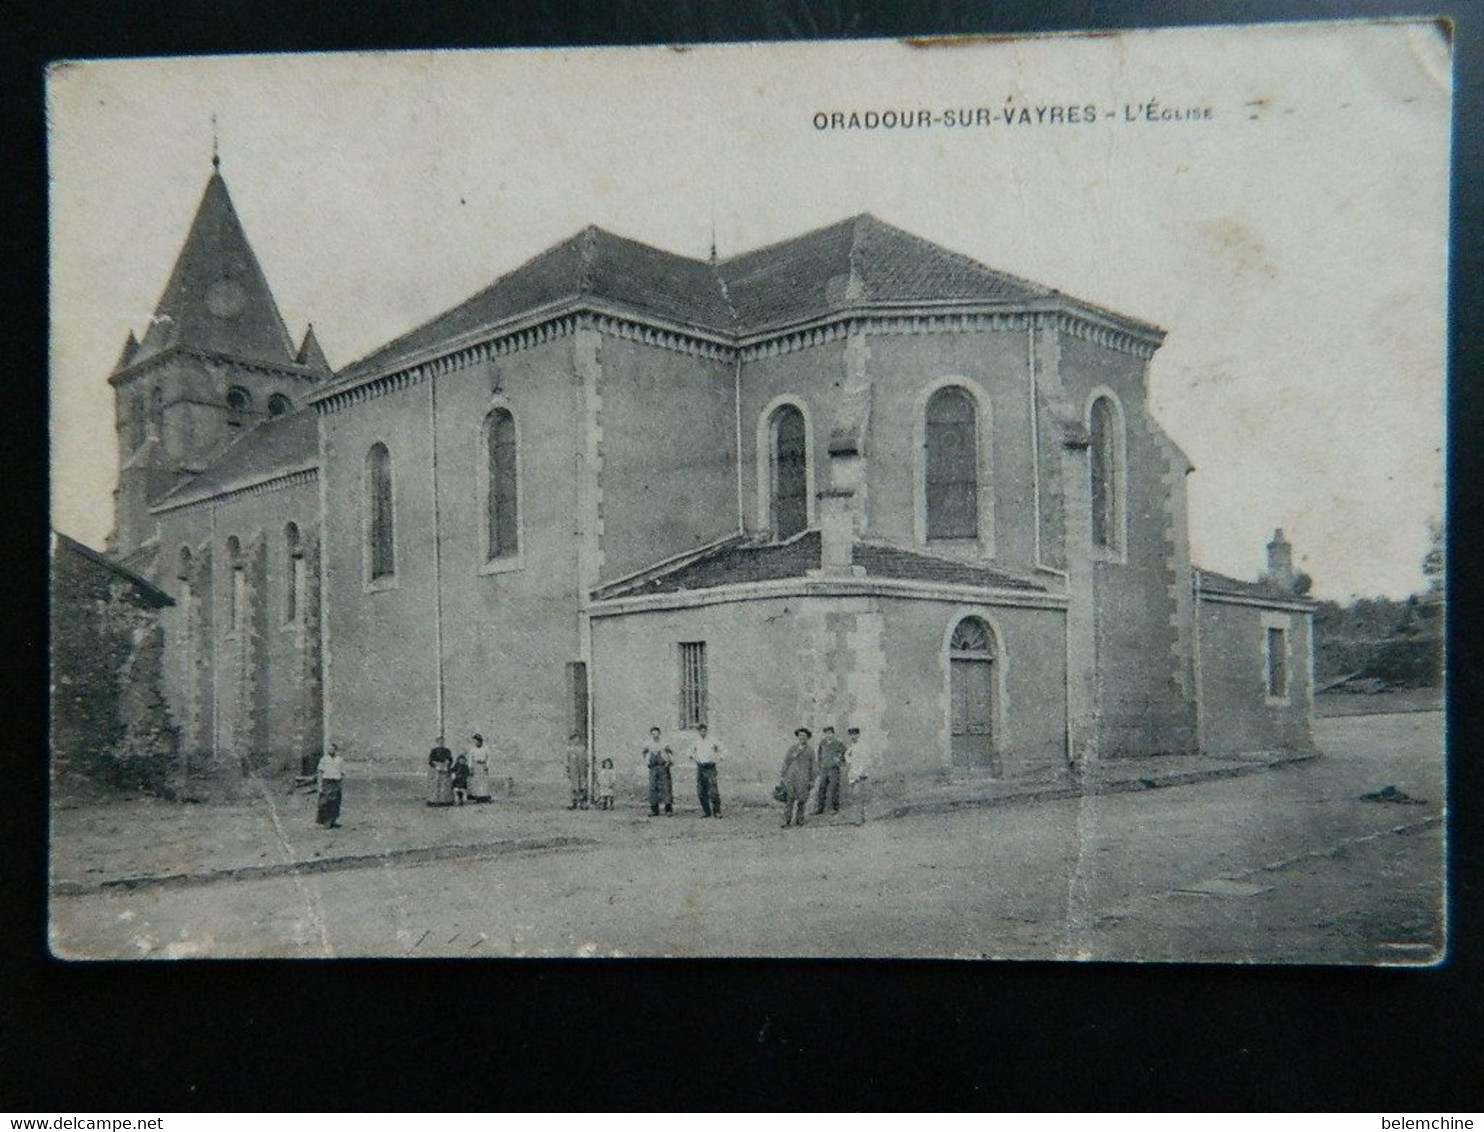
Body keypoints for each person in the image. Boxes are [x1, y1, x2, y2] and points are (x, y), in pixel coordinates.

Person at [779, 727, 815, 828]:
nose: (801, 737)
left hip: (803, 778)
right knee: (789, 799)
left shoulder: (810, 750)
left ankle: (800, 820)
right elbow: (786, 762)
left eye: (804, 736)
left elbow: (813, 766)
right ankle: (787, 821)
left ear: (807, 738)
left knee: (802, 799)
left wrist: (812, 780)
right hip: (791, 776)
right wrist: (783, 775)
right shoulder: (792, 748)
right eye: (800, 735)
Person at [688, 722, 725, 818]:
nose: (703, 732)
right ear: (699, 732)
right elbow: (689, 752)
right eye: (701, 731)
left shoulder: (712, 740)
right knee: (701, 790)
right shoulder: (696, 741)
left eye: (704, 730)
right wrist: (693, 757)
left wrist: (719, 758)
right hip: (700, 767)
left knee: (713, 790)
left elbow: (723, 749)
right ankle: (706, 811)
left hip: (710, 767)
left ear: (706, 731)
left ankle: (717, 811)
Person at [814, 725, 848, 814]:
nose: (828, 735)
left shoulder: (838, 743)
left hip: (834, 769)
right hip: (824, 769)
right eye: (826, 734)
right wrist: (820, 765)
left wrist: (839, 760)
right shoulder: (822, 743)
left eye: (829, 733)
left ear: (833, 734)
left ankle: (835, 808)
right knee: (822, 788)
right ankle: (820, 808)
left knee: (834, 788)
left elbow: (845, 753)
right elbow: (819, 755)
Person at [642, 726, 674, 817]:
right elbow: (644, 754)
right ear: (651, 734)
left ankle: (668, 809)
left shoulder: (664, 744)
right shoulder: (648, 744)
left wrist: (669, 762)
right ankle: (654, 810)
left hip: (663, 767)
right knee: (653, 788)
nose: (655, 735)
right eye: (653, 734)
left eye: (656, 733)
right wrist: (647, 763)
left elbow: (670, 753)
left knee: (666, 787)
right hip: (653, 768)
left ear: (659, 734)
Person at [845, 725, 871, 825]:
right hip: (853, 773)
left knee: (858, 796)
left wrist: (860, 773)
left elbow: (866, 761)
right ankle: (859, 817)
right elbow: (847, 756)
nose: (853, 737)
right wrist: (850, 762)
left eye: (855, 734)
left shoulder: (863, 746)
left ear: (859, 735)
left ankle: (859, 819)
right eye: (851, 735)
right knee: (854, 796)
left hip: (861, 774)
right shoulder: (851, 747)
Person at [316, 743, 345, 828]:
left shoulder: (340, 759)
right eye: (329, 749)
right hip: (327, 782)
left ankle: (333, 821)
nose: (330, 751)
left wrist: (341, 784)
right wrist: (320, 785)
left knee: (335, 802)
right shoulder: (324, 759)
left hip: (336, 782)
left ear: (335, 750)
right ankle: (325, 822)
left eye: (332, 749)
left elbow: (342, 772)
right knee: (325, 802)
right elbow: (320, 772)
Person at [427, 736, 455, 807]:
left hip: (445, 767)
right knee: (436, 785)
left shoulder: (447, 750)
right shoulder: (434, 751)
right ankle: (435, 801)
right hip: (436, 769)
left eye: (442, 742)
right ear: (437, 742)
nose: (441, 743)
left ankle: (445, 801)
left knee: (445, 785)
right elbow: (430, 761)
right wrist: (436, 766)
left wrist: (447, 766)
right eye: (440, 742)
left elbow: (451, 760)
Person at [567, 732, 590, 810]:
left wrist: (586, 768)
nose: (576, 741)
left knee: (582, 787)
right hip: (574, 771)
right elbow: (568, 761)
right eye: (574, 739)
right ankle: (574, 803)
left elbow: (586, 759)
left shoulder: (583, 748)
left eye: (577, 739)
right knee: (574, 787)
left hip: (582, 770)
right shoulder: (570, 749)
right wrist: (568, 770)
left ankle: (583, 804)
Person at [466, 733, 492, 803]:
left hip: (483, 766)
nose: (476, 743)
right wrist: (470, 768)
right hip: (476, 766)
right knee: (476, 782)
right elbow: (470, 759)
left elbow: (489, 758)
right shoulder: (473, 749)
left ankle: (484, 796)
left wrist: (487, 766)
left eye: (477, 741)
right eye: (475, 741)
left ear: (480, 741)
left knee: (483, 781)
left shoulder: (486, 749)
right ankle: (477, 796)